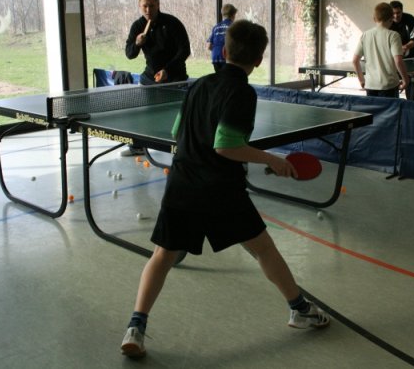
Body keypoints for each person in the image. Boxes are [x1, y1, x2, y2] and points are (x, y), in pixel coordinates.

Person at [120, 20, 331, 358]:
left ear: (225, 51)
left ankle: (136, 327)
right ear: (258, 60)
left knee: (162, 256)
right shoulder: (243, 92)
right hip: (220, 190)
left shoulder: (199, 84)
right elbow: (226, 146)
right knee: (264, 249)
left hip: (182, 183)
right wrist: (270, 159)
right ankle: (300, 309)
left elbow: (177, 132)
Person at [121, 0, 191, 156]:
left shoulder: (172, 23)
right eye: (144, 6)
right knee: (144, 114)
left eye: (152, 6)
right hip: (150, 78)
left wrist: (167, 70)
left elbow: (185, 50)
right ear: (139, 6)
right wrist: (137, 43)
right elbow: (130, 54)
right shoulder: (138, 26)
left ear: (158, 4)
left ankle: (182, 150)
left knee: (176, 117)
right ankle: (138, 146)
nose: (148, 10)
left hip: (175, 77)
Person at [352, 2, 409, 98]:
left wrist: (361, 80)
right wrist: (406, 80)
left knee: (374, 109)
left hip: (370, 85)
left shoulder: (365, 35)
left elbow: (355, 60)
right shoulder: (393, 36)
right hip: (389, 86)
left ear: (374, 18)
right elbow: (398, 61)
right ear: (391, 18)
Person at [389, 0, 414, 100]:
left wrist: (406, 47)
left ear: (402, 11)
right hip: (391, 60)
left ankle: (411, 103)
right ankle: (394, 102)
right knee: (393, 82)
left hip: (410, 59)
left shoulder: (410, 19)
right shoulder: (387, 22)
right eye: (393, 13)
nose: (396, 16)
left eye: (398, 13)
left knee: (410, 81)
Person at [207, 3, 237, 72]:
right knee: (229, 76)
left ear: (222, 15)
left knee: (219, 76)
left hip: (215, 58)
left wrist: (217, 50)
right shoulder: (234, 26)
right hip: (226, 58)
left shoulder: (216, 27)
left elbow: (209, 46)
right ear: (233, 15)